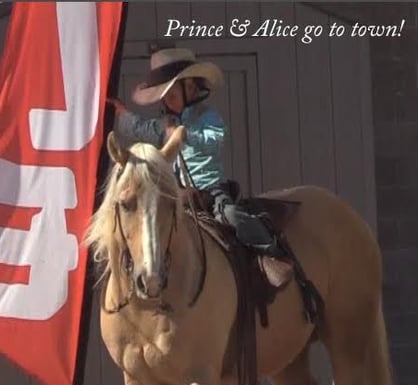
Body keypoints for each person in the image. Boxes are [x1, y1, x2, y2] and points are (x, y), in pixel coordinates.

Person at [109, 47, 286, 259]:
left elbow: (215, 141)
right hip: (177, 194)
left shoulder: (208, 117)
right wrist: (121, 113)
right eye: (164, 98)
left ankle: (271, 250)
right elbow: (141, 128)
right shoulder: (166, 123)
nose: (167, 102)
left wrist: (185, 135)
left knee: (230, 215)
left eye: (172, 95)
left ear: (190, 89)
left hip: (210, 191)